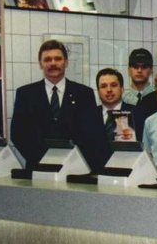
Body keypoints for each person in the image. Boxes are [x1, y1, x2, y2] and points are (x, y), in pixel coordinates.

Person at [11, 40, 107, 170]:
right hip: (38, 169)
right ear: (40, 64)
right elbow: (18, 134)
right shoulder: (26, 94)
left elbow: (91, 134)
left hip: (75, 169)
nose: (53, 63)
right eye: (47, 59)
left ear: (66, 62)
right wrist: (43, 160)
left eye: (58, 59)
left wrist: (74, 161)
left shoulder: (84, 94)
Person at [95, 68, 137, 145]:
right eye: (103, 86)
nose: (109, 90)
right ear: (98, 91)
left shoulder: (136, 113)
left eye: (113, 85)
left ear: (122, 88)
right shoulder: (88, 115)